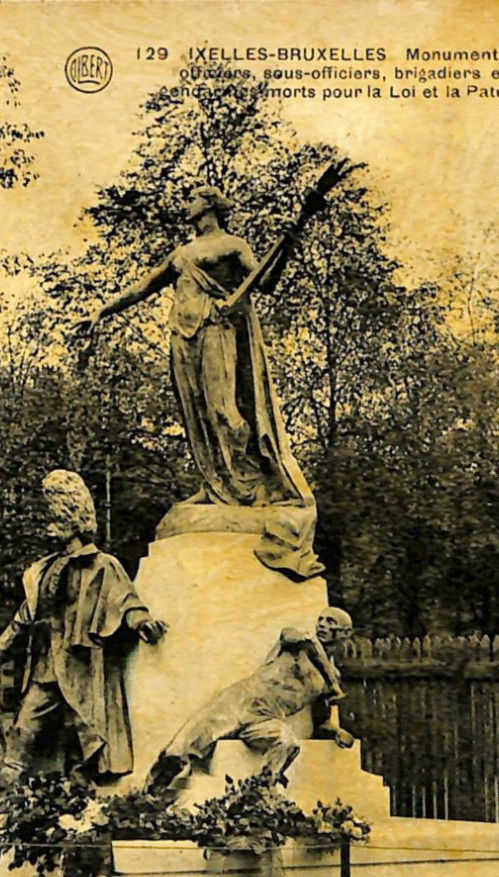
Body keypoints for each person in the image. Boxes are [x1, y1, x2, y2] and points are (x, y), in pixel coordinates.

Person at [80, 185, 323, 581]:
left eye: (193, 196)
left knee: (224, 412)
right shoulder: (181, 254)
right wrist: (102, 312)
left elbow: (264, 283)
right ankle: (216, 487)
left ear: (209, 205)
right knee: (199, 419)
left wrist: (288, 247)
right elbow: (144, 286)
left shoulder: (231, 245)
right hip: (183, 335)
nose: (186, 202)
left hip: (216, 330)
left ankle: (247, 487)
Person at [0, 470, 166, 780]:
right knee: (24, 727)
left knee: (84, 733)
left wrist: (142, 622)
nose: (48, 526)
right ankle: (5, 790)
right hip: (46, 666)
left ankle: (82, 794)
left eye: (54, 517)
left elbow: (125, 599)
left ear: (71, 518)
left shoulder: (102, 564)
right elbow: (26, 615)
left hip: (82, 667)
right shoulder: (43, 570)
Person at [144, 606, 355, 798]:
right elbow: (302, 640)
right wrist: (332, 681)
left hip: (266, 717)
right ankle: (148, 797)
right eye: (321, 619)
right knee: (180, 749)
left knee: (287, 743)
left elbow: (321, 720)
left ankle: (260, 794)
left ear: (345, 633)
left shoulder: (329, 680)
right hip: (240, 701)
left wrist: (336, 731)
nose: (323, 625)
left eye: (331, 622)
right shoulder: (297, 639)